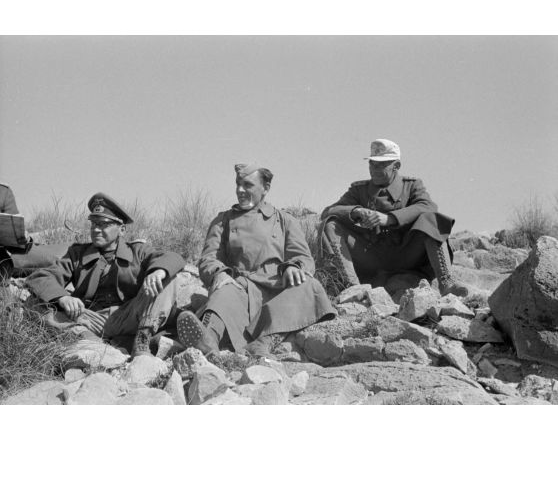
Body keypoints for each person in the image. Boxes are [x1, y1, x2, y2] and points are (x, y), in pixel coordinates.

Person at [176, 164, 336, 358]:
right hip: (240, 288)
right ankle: (208, 340)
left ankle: (263, 342)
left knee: (310, 286)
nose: (240, 190)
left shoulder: (284, 220)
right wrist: (219, 273)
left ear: (265, 188)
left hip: (277, 288)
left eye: (247, 185)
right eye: (237, 184)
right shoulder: (222, 221)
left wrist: (293, 268)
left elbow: (303, 257)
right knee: (223, 292)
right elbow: (209, 258)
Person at [26, 192, 186, 356]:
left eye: (103, 224)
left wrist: (158, 272)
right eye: (93, 224)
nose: (96, 229)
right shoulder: (77, 254)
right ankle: (101, 343)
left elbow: (173, 257)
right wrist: (64, 298)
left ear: (121, 229)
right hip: (88, 318)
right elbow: (42, 277)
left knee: (168, 276)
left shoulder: (137, 251)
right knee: (35, 304)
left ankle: (143, 338)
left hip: (129, 316)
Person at [319, 139, 468, 297]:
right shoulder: (359, 190)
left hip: (407, 254)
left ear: (396, 166)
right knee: (331, 224)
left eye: (381, 165)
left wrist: (390, 218)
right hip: (372, 256)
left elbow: (428, 206)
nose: (374, 170)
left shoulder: (412, 185)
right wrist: (356, 211)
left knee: (432, 218)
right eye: (372, 164)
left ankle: (446, 283)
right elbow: (329, 211)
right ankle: (352, 287)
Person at [0, 182, 65, 278]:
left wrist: (23, 238)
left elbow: (15, 242)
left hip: (6, 253)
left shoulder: (3, 192)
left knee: (55, 260)